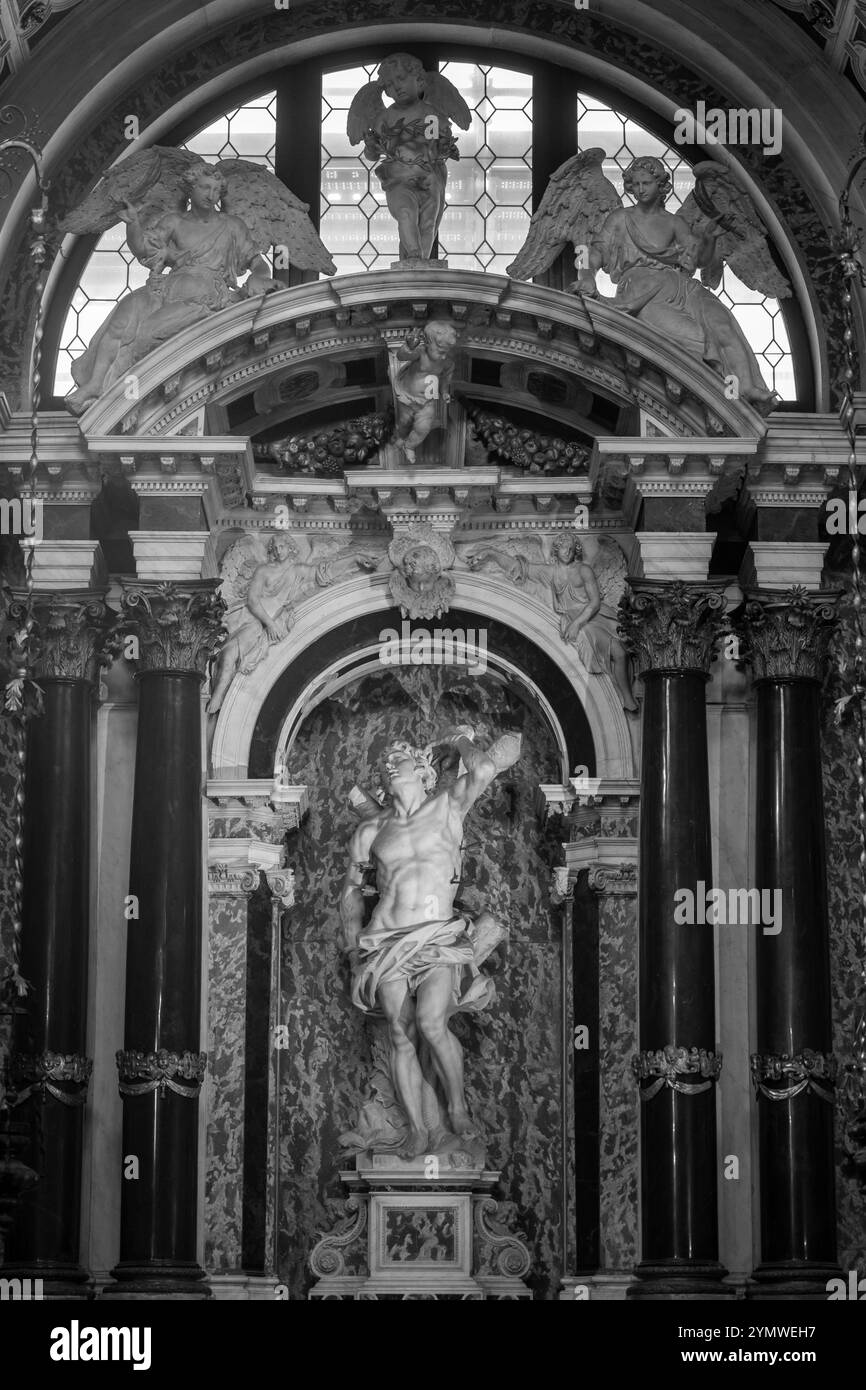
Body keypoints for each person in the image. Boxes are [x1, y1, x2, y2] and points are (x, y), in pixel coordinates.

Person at [340, 727, 521, 1159]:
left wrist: (460, 739)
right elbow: (349, 895)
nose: (387, 764)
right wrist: (352, 951)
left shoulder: (446, 807)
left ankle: (457, 1109)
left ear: (422, 771)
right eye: (384, 761)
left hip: (437, 935)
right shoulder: (370, 830)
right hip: (384, 942)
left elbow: (487, 765)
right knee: (400, 1035)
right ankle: (418, 1130)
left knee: (431, 1022)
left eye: (397, 757)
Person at [66, 164, 278, 412]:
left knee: (145, 334)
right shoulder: (174, 222)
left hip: (204, 297)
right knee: (121, 319)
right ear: (191, 189)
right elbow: (145, 250)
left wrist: (261, 277)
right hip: (165, 289)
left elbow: (257, 262)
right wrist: (133, 224)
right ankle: (94, 384)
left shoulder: (232, 226)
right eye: (204, 188)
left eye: (216, 190)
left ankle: (122, 400)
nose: (211, 195)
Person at [576, 155, 778, 411]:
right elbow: (591, 253)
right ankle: (716, 400)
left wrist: (709, 239)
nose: (640, 190)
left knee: (722, 324)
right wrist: (586, 276)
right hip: (642, 293)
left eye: (646, 183)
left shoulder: (675, 222)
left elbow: (699, 261)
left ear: (661, 185)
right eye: (635, 184)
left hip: (682, 286)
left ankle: (745, 388)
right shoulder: (619, 218)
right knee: (695, 336)